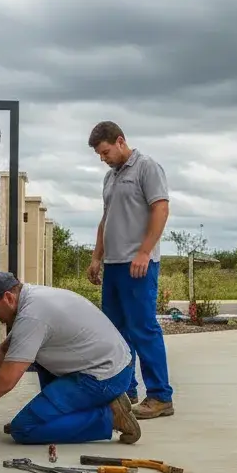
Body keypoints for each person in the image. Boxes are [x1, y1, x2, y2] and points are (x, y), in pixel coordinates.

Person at [0, 271, 142, 445]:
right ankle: (58, 418)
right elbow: (5, 352)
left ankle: (109, 416)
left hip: (104, 377)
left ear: (8, 297)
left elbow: (5, 381)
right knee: (28, 357)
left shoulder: (31, 316)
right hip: (108, 366)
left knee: (25, 428)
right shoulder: (31, 298)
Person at [85, 120, 176, 419]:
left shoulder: (147, 167)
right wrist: (97, 257)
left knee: (143, 329)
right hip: (113, 265)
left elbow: (160, 208)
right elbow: (105, 220)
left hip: (138, 265)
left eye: (106, 151)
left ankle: (161, 397)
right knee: (116, 334)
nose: (103, 158)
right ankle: (126, 390)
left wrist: (144, 252)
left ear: (121, 141)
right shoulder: (110, 178)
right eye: (99, 154)